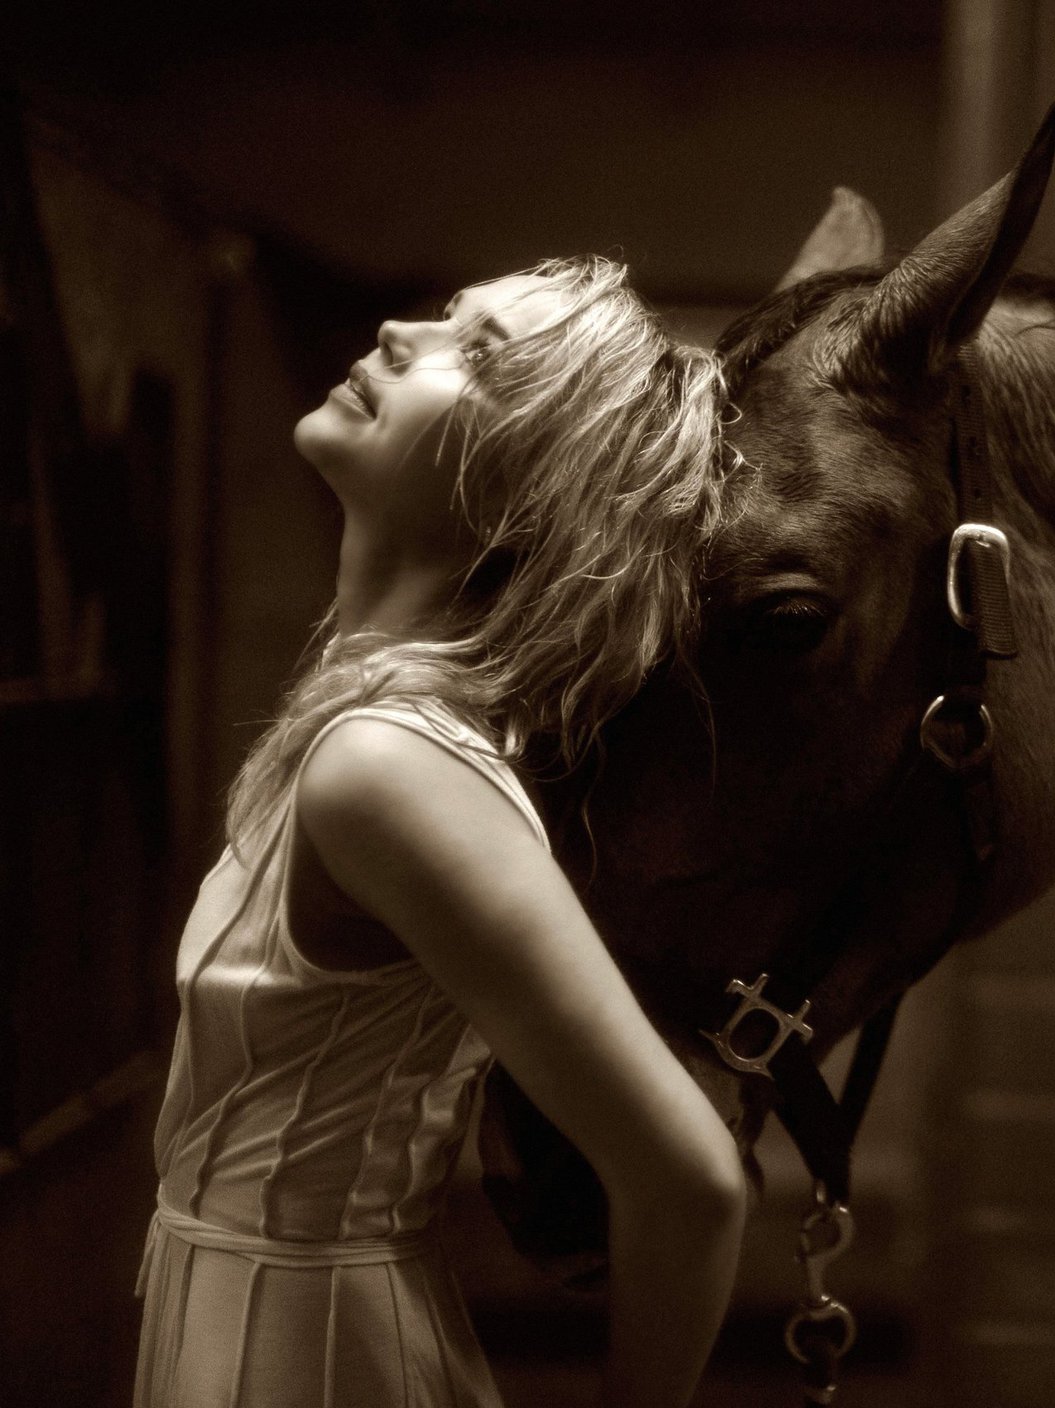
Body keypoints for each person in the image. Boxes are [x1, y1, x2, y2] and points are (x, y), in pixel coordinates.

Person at [133, 256, 746, 1407]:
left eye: (482, 353)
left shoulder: (390, 767)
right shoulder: (368, 729)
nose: (400, 330)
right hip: (253, 1314)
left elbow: (690, 1180)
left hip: (303, 1349)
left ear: (531, 490)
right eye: (446, 315)